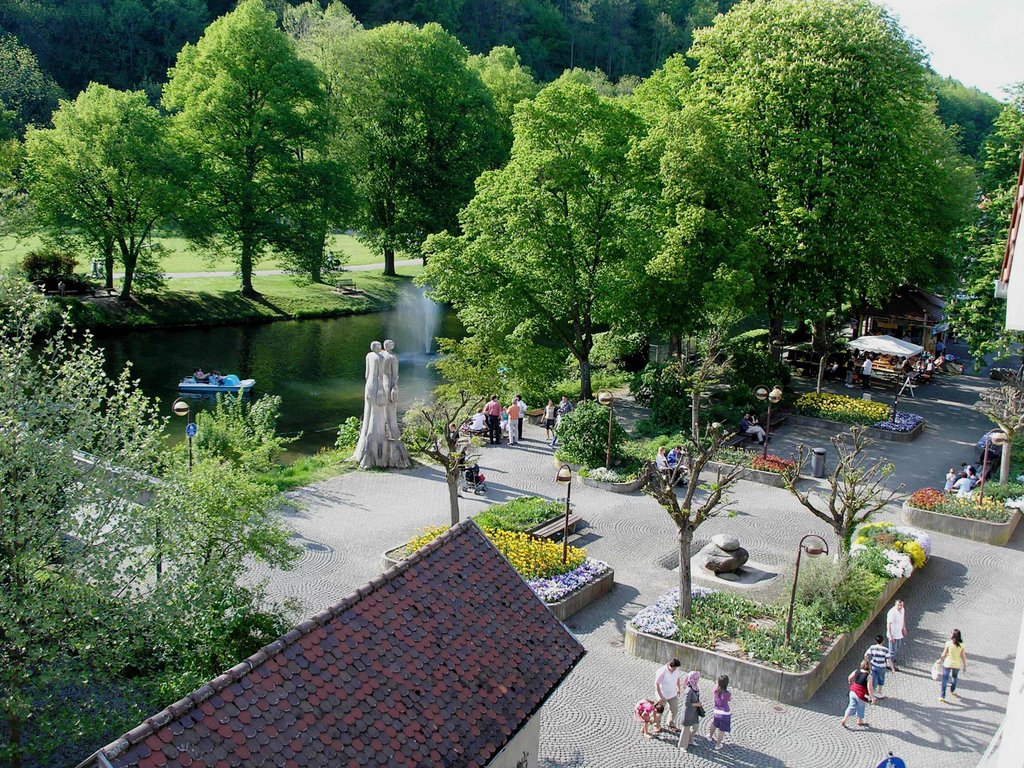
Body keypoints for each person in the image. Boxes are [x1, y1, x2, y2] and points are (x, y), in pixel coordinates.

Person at [840, 658, 875, 728]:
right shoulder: (869, 676)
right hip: (860, 695)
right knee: (861, 707)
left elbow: (850, 677)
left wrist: (850, 682)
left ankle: (844, 719)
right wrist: (872, 697)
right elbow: (869, 688)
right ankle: (860, 720)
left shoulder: (857, 671)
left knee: (851, 706)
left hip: (852, 691)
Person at [938, 629, 967, 703]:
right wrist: (964, 666)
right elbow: (963, 657)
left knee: (945, 679)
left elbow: (943, 655)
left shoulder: (948, 644)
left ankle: (942, 696)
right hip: (956, 665)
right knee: (955, 677)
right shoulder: (962, 645)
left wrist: (940, 661)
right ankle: (952, 690)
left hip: (947, 664)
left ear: (952, 636)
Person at [654, 658, 682, 731]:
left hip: (673, 694)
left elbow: (678, 679)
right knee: (659, 711)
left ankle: (670, 723)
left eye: (676, 668)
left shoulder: (676, 670)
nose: (675, 669)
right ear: (671, 666)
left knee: (674, 709)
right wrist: (661, 696)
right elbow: (657, 684)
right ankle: (656, 725)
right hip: (663, 695)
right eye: (674, 668)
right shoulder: (662, 671)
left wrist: (678, 688)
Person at [864, 634, 894, 699]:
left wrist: (868, 662)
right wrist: (892, 669)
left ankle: (870, 693)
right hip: (882, 667)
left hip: (873, 666)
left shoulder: (872, 647)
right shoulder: (885, 649)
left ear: (875, 641)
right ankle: (879, 692)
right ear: (883, 641)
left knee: (872, 679)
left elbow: (866, 655)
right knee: (881, 679)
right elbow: (889, 660)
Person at [678, 671, 702, 751]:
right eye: (697, 678)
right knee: (686, 730)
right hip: (688, 713)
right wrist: (697, 704)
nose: (698, 679)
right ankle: (682, 745)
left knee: (695, 727)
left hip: (694, 712)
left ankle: (690, 739)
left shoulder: (695, 687)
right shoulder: (689, 690)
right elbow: (686, 703)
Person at [706, 675, 732, 751]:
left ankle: (710, 736)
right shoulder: (728, 693)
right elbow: (730, 699)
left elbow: (717, 685)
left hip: (716, 712)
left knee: (714, 723)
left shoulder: (715, 691)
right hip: (725, 713)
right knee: (722, 729)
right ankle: (718, 745)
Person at [886, 600, 906, 671]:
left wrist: (904, 628)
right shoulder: (892, 612)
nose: (900, 607)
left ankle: (892, 659)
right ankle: (889, 664)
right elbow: (888, 625)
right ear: (895, 604)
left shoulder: (902, 609)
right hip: (893, 634)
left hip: (898, 633)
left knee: (897, 647)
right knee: (891, 650)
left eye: (901, 605)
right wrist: (891, 636)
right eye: (899, 605)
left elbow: (902, 619)